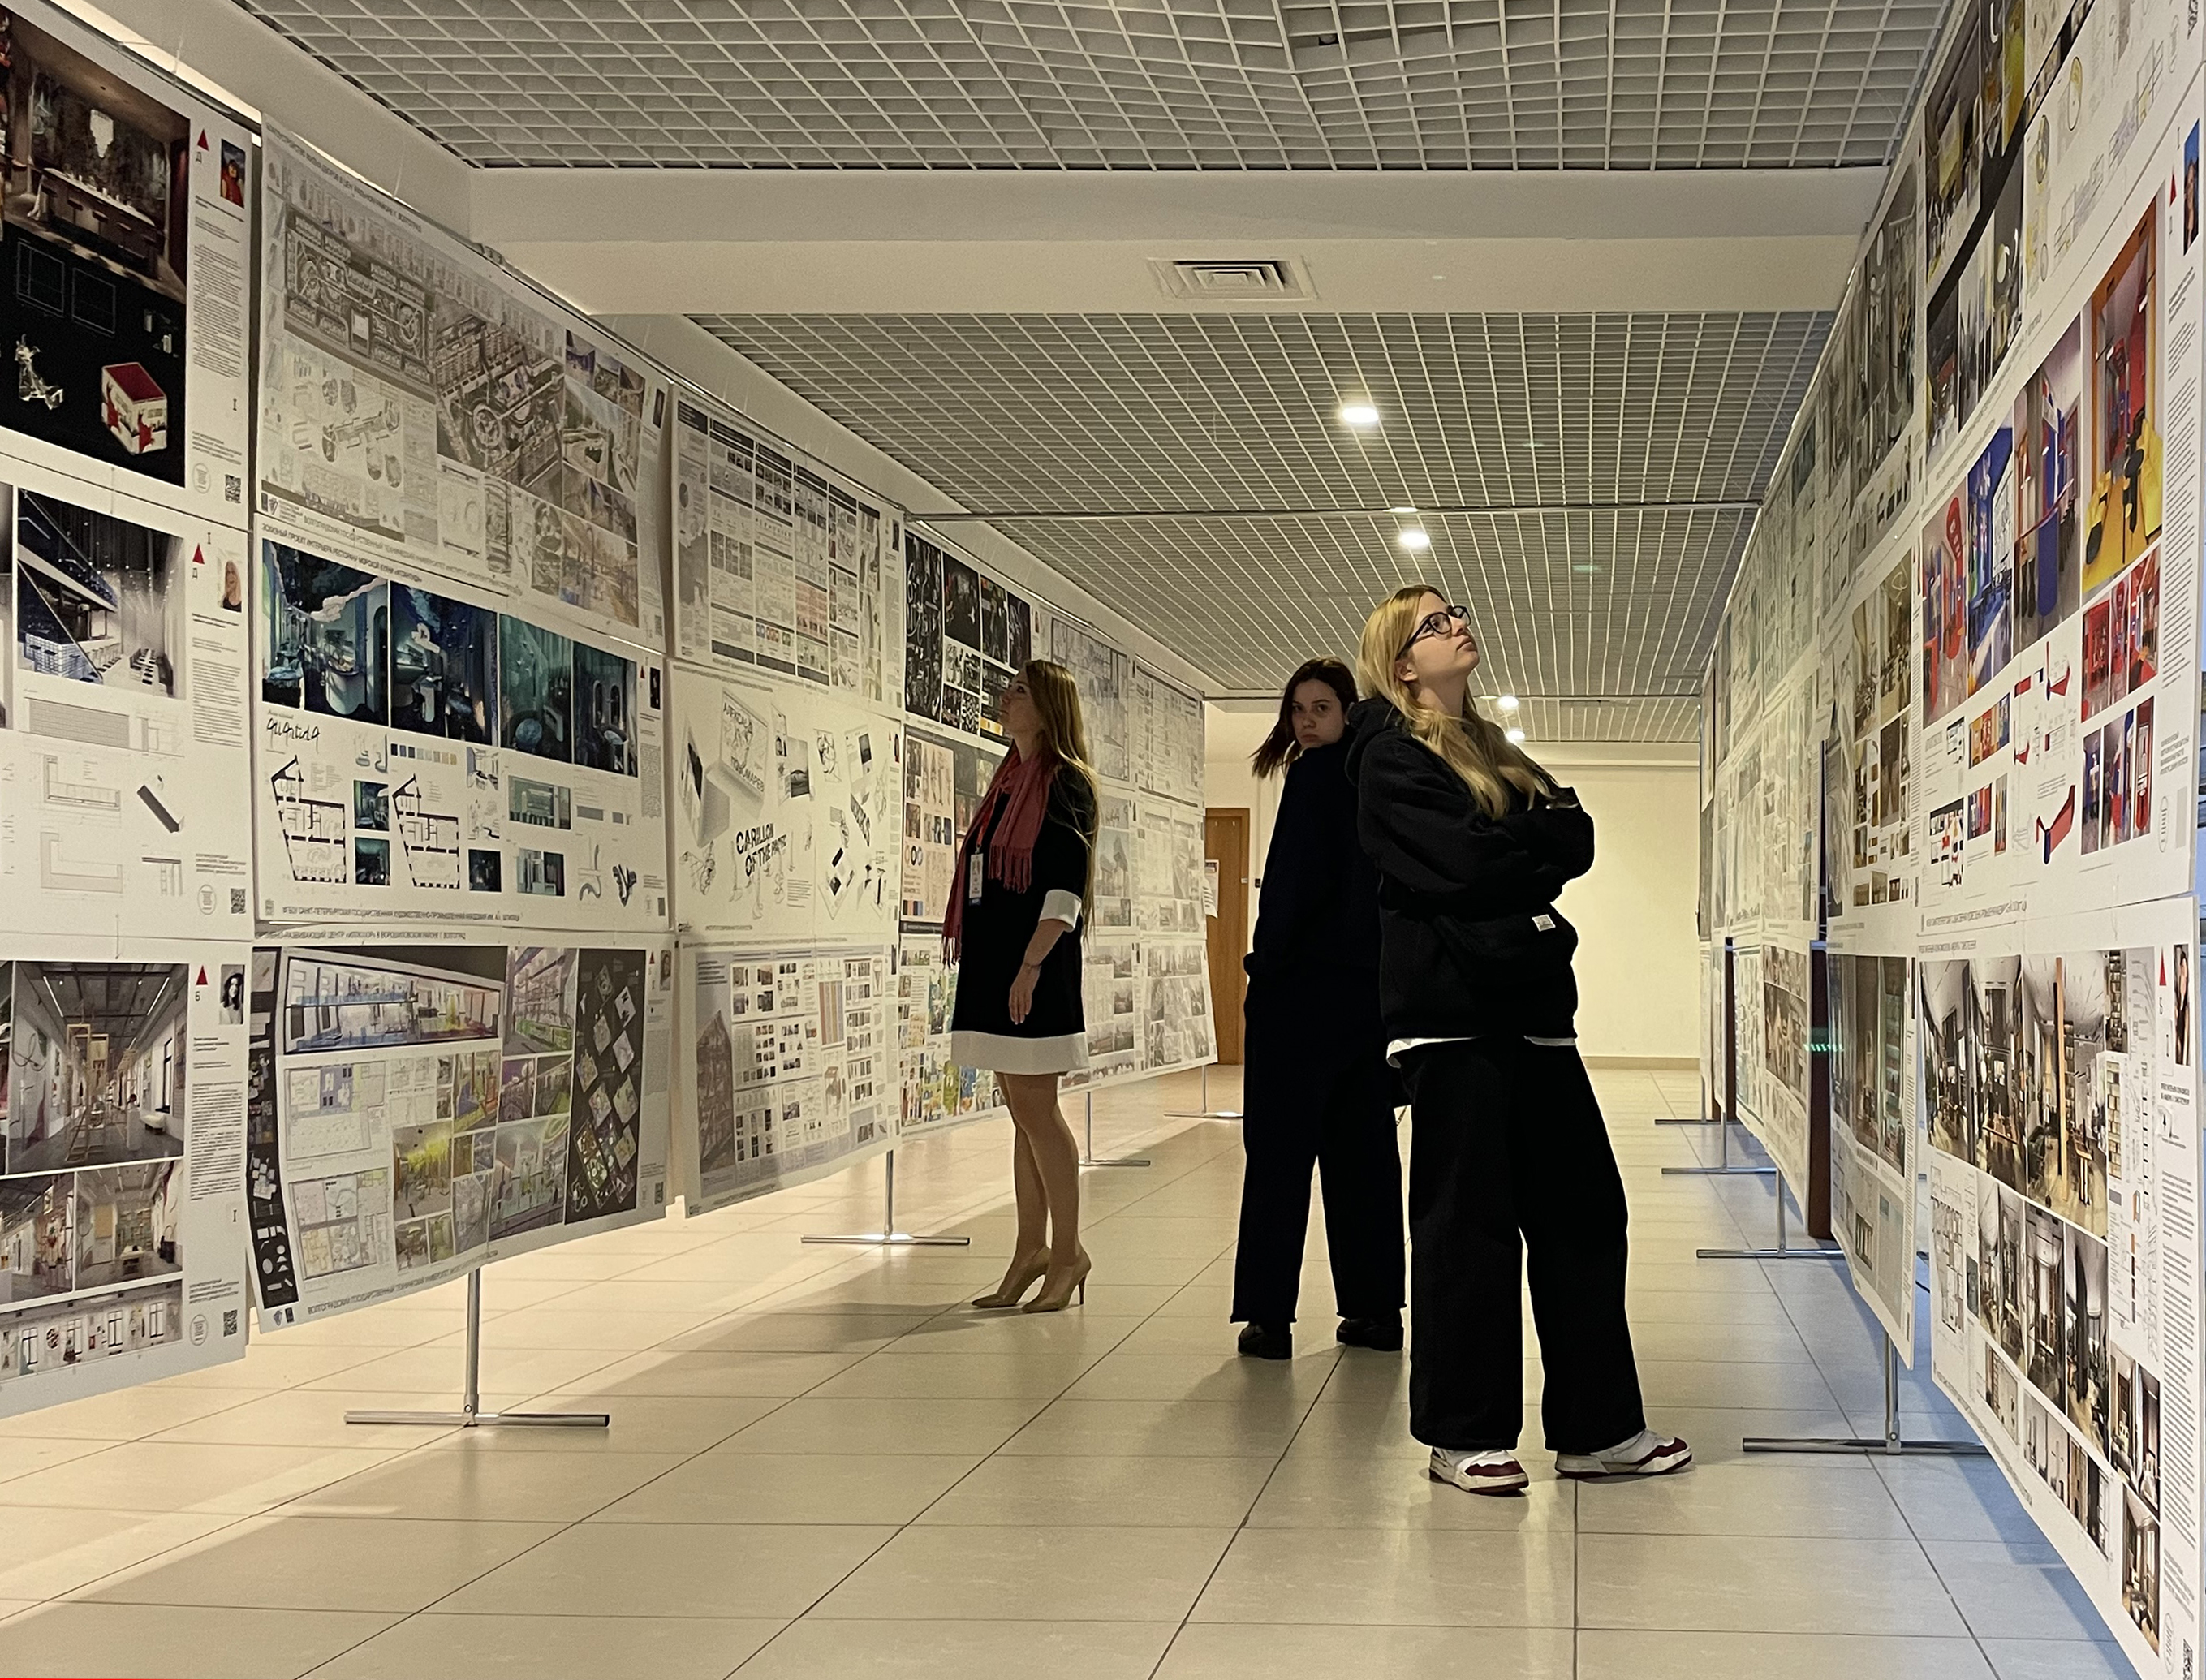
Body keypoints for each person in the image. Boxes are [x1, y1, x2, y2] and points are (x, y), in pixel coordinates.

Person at [1345, 584, 1690, 1495]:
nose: (1458, 624)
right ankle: (1464, 1435)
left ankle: (1598, 1430)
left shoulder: (1494, 747)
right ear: (1402, 664)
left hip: (1536, 1018)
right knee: (1468, 1230)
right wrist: (1517, 845)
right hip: (1451, 1023)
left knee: (1586, 1216)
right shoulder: (1387, 758)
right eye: (1434, 623)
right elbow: (1466, 864)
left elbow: (1576, 836)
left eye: (1455, 612)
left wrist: (1508, 846)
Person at [1231, 658, 1403, 1361]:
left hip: (1299, 998)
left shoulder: (1310, 780)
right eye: (1297, 709)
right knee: (1365, 1158)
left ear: (1348, 711)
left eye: (1321, 708)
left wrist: (1263, 970)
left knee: (1278, 1156)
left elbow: (1291, 893)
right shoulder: (1377, 782)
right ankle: (1376, 1311)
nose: (1306, 721)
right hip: (1365, 1000)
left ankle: (1269, 1317)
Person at [950, 660, 1100, 1313]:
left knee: (1038, 1111)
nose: (1005, 698)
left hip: (1033, 967)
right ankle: (1029, 1249)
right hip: (996, 965)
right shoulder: (1008, 781)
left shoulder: (1066, 783)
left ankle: (1067, 1254)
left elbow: (1065, 890)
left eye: (1019, 691)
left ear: (1047, 708)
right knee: (1022, 1114)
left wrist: (1031, 965)